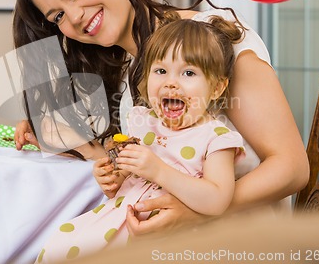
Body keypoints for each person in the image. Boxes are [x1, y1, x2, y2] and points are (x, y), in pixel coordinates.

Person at [13, 0, 308, 236]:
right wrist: (74, 143)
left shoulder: (212, 41)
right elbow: (164, 166)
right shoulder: (133, 81)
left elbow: (292, 168)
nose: (73, 17)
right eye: (58, 15)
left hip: (241, 236)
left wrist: (196, 213)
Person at [35, 16, 250, 262]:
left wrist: (158, 170)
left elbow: (217, 200)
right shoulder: (142, 120)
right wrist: (112, 177)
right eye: (160, 71)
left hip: (176, 238)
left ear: (217, 88)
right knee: (62, 245)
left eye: (188, 72)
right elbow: (128, 175)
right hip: (118, 221)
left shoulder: (216, 138)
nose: (170, 83)